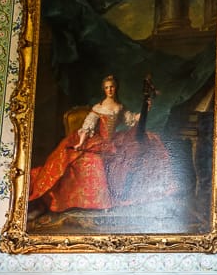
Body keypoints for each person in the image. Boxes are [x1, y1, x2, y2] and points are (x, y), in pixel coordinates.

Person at [29, 74, 176, 214]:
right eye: (107, 87)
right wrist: (80, 143)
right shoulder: (98, 108)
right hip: (99, 141)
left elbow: (131, 119)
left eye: (112, 87)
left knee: (135, 152)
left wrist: (146, 108)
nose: (109, 90)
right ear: (104, 89)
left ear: (115, 88)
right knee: (95, 161)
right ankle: (101, 201)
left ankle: (124, 192)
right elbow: (87, 127)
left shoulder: (119, 107)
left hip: (115, 141)